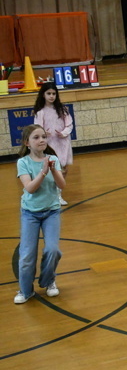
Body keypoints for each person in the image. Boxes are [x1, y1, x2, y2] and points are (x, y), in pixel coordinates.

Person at [14, 124, 66, 304]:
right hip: (30, 214)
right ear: (27, 142)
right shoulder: (23, 163)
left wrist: (52, 170)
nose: (41, 140)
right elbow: (30, 188)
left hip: (51, 212)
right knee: (27, 255)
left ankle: (48, 280)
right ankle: (25, 290)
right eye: (36, 137)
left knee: (53, 250)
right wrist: (43, 172)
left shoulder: (53, 159)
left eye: (43, 136)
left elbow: (62, 185)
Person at [33, 82, 73, 205]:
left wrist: (64, 132)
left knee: (64, 168)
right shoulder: (40, 111)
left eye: (54, 94)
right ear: (43, 95)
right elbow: (37, 127)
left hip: (63, 141)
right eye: (48, 93)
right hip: (49, 144)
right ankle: (52, 195)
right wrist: (44, 134)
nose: (51, 96)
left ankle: (58, 193)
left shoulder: (62, 109)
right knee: (53, 169)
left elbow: (69, 124)